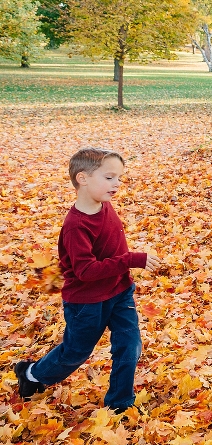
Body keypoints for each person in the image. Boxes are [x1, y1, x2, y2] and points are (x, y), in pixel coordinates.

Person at [13, 147, 161, 412]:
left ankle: (119, 403)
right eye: (109, 177)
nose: (117, 184)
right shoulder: (76, 226)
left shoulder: (104, 205)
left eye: (119, 178)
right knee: (75, 352)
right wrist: (130, 259)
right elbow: (85, 271)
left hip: (120, 292)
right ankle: (32, 374)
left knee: (129, 346)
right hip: (86, 303)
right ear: (82, 178)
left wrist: (124, 268)